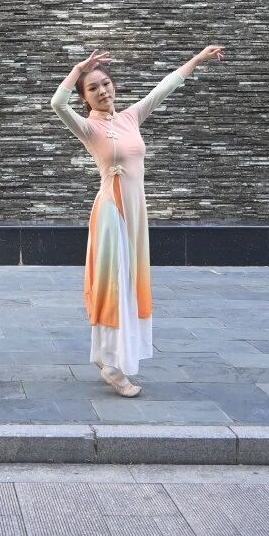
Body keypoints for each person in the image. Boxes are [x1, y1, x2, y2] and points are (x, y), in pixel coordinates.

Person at [51, 45, 225, 396]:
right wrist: (78, 69)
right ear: (85, 98)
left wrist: (197, 59)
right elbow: (57, 104)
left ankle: (106, 355)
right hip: (112, 214)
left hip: (136, 213)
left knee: (129, 284)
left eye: (105, 84)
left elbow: (165, 87)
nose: (102, 91)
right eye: (93, 88)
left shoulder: (131, 117)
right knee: (115, 284)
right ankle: (114, 368)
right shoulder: (88, 128)